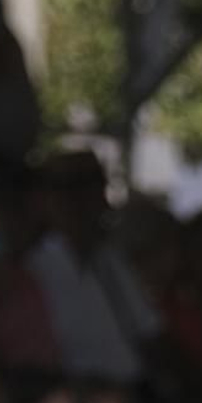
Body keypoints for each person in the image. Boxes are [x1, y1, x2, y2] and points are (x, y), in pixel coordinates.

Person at [27, 150, 159, 384]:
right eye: (71, 187)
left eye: (93, 185)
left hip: (123, 395)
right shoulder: (35, 264)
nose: (83, 199)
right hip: (63, 394)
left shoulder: (111, 260)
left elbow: (148, 333)